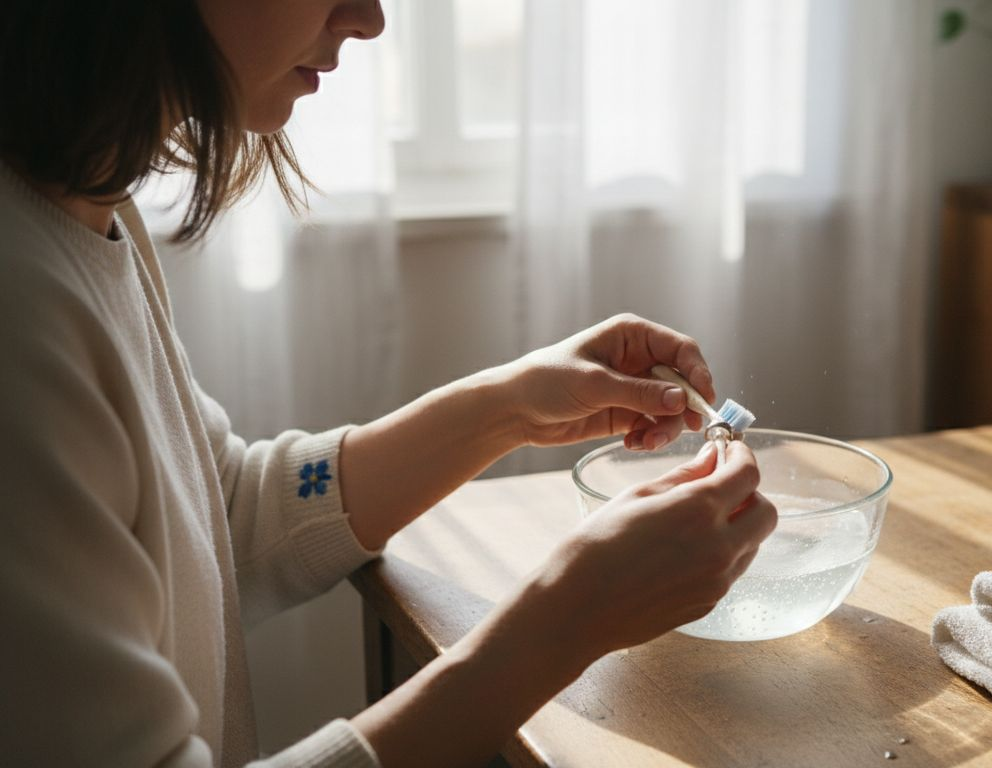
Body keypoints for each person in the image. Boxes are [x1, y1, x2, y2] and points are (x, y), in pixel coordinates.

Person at [0, 2, 778, 766]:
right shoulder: (22, 311)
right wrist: (566, 623)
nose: (369, 18)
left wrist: (509, 408)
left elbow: (220, 512)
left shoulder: (88, 202)